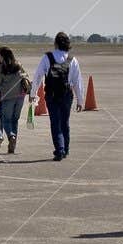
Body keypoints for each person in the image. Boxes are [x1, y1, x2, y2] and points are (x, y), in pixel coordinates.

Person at [32, 31, 84, 161]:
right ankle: (65, 149)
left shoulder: (47, 57)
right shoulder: (72, 60)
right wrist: (80, 100)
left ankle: (59, 150)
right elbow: (78, 81)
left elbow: (38, 76)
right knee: (65, 122)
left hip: (51, 95)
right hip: (67, 95)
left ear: (55, 43)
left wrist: (33, 93)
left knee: (55, 122)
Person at [0, 46, 29, 154]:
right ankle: (13, 145)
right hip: (20, 97)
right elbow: (25, 76)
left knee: (7, 120)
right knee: (15, 120)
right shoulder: (18, 65)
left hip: (7, 98)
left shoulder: (1, 68)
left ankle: (11, 136)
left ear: (1, 55)